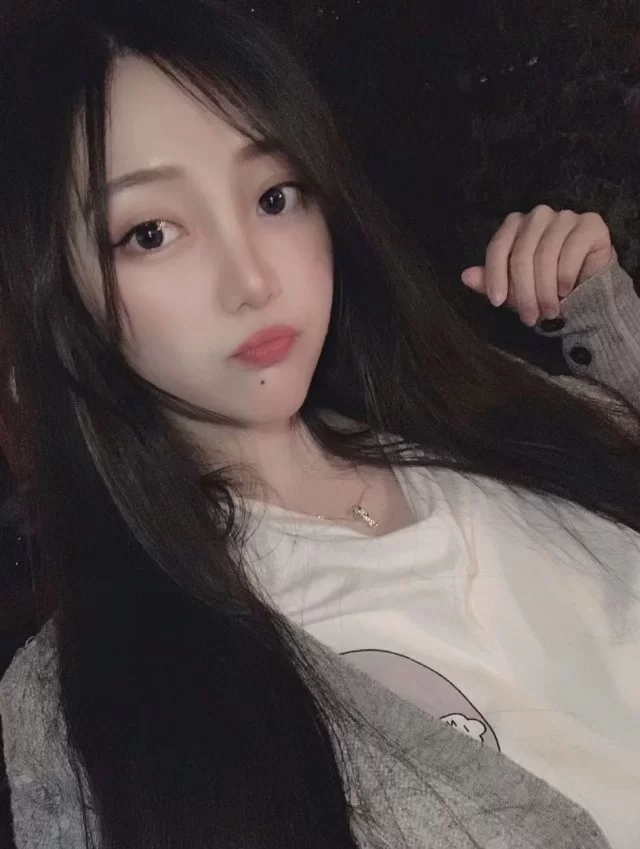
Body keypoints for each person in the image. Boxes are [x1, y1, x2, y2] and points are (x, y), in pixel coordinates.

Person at [0, 1, 639, 848]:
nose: (253, 280)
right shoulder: (105, 705)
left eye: (275, 196)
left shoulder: (483, 413)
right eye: (151, 232)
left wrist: (604, 322)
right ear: (56, 293)